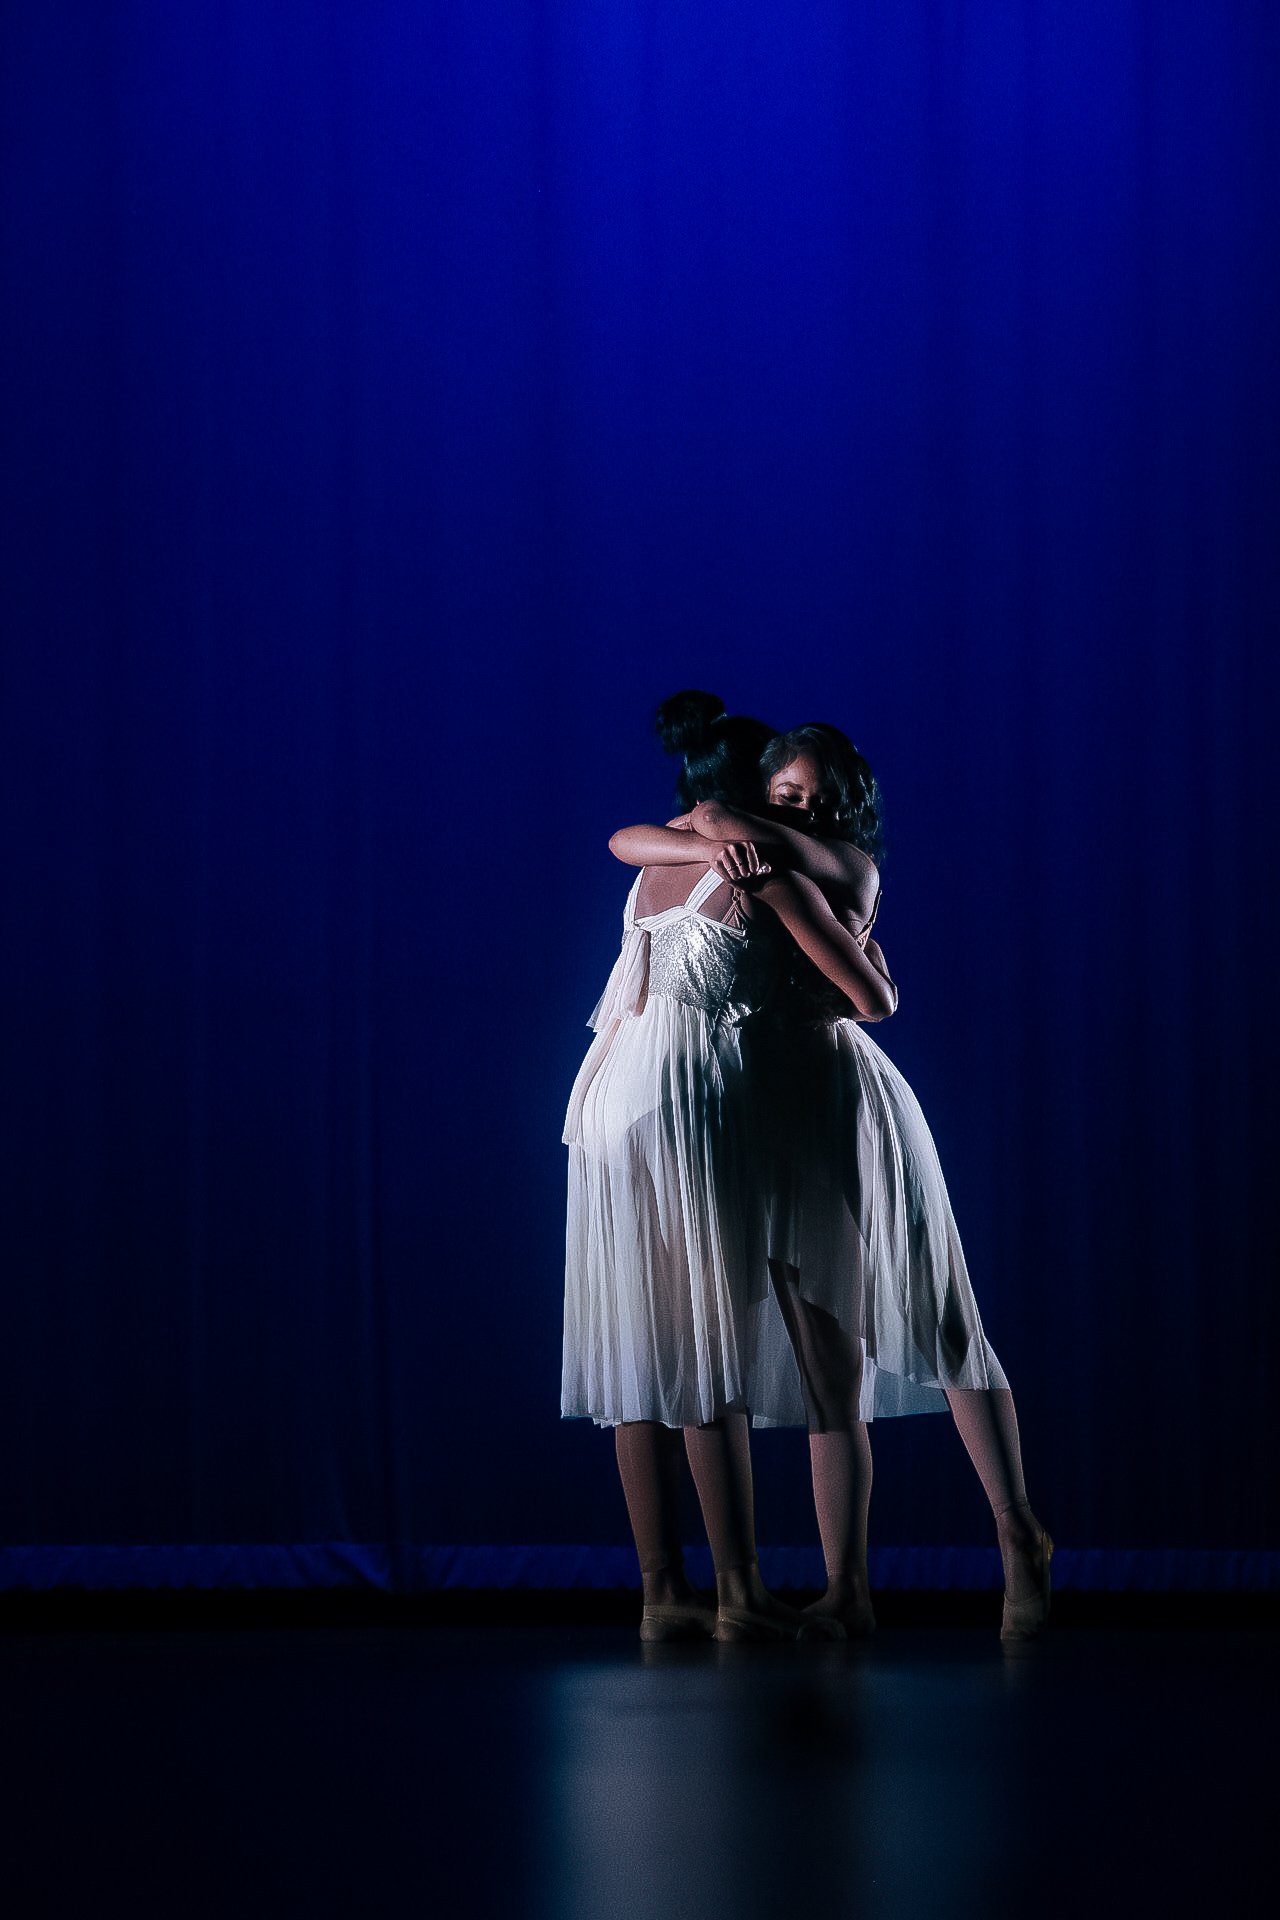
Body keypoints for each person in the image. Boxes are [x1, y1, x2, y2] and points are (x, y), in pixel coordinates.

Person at [609, 722, 1053, 1641]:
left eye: (817, 796)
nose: (802, 807)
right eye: (787, 793)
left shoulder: (832, 863)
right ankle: (844, 1589)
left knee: (938, 1319)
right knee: (827, 1366)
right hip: (764, 1114)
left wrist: (730, 824)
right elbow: (629, 841)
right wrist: (703, 829)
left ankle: (1019, 1533)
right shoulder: (727, 859)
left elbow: (871, 995)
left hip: (843, 1105)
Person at [562, 693, 893, 1642]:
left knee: (642, 1347)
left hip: (610, 1094)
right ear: (745, 798)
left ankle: (661, 1590)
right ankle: (739, 1591)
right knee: (703, 1348)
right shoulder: (762, 876)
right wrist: (879, 970)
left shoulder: (655, 866)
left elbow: (631, 839)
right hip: (688, 1099)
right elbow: (867, 998)